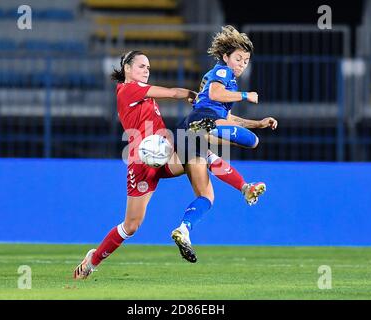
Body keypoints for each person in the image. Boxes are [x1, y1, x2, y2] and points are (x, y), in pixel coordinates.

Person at [73, 50, 265, 279]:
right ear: (127, 68)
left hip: (164, 153)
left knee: (200, 155)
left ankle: (242, 187)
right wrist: (193, 94)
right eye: (142, 66)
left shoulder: (141, 94)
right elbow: (173, 92)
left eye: (149, 67)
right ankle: (91, 261)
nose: (147, 70)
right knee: (131, 226)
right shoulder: (129, 89)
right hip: (142, 163)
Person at [170, 25, 278, 263]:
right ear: (226, 57)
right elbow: (217, 95)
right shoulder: (222, 72)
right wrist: (245, 96)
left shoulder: (226, 81)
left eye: (246, 61)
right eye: (238, 58)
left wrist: (258, 122)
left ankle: (184, 229)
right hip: (200, 121)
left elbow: (228, 118)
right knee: (251, 142)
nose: (241, 64)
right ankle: (209, 135)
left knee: (206, 195)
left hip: (190, 128)